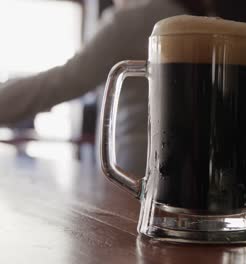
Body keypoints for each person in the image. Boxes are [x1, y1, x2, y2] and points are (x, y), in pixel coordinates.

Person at [0, 0, 206, 176]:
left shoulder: (129, 21)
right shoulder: (200, 23)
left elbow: (63, 81)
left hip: (132, 166)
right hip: (193, 166)